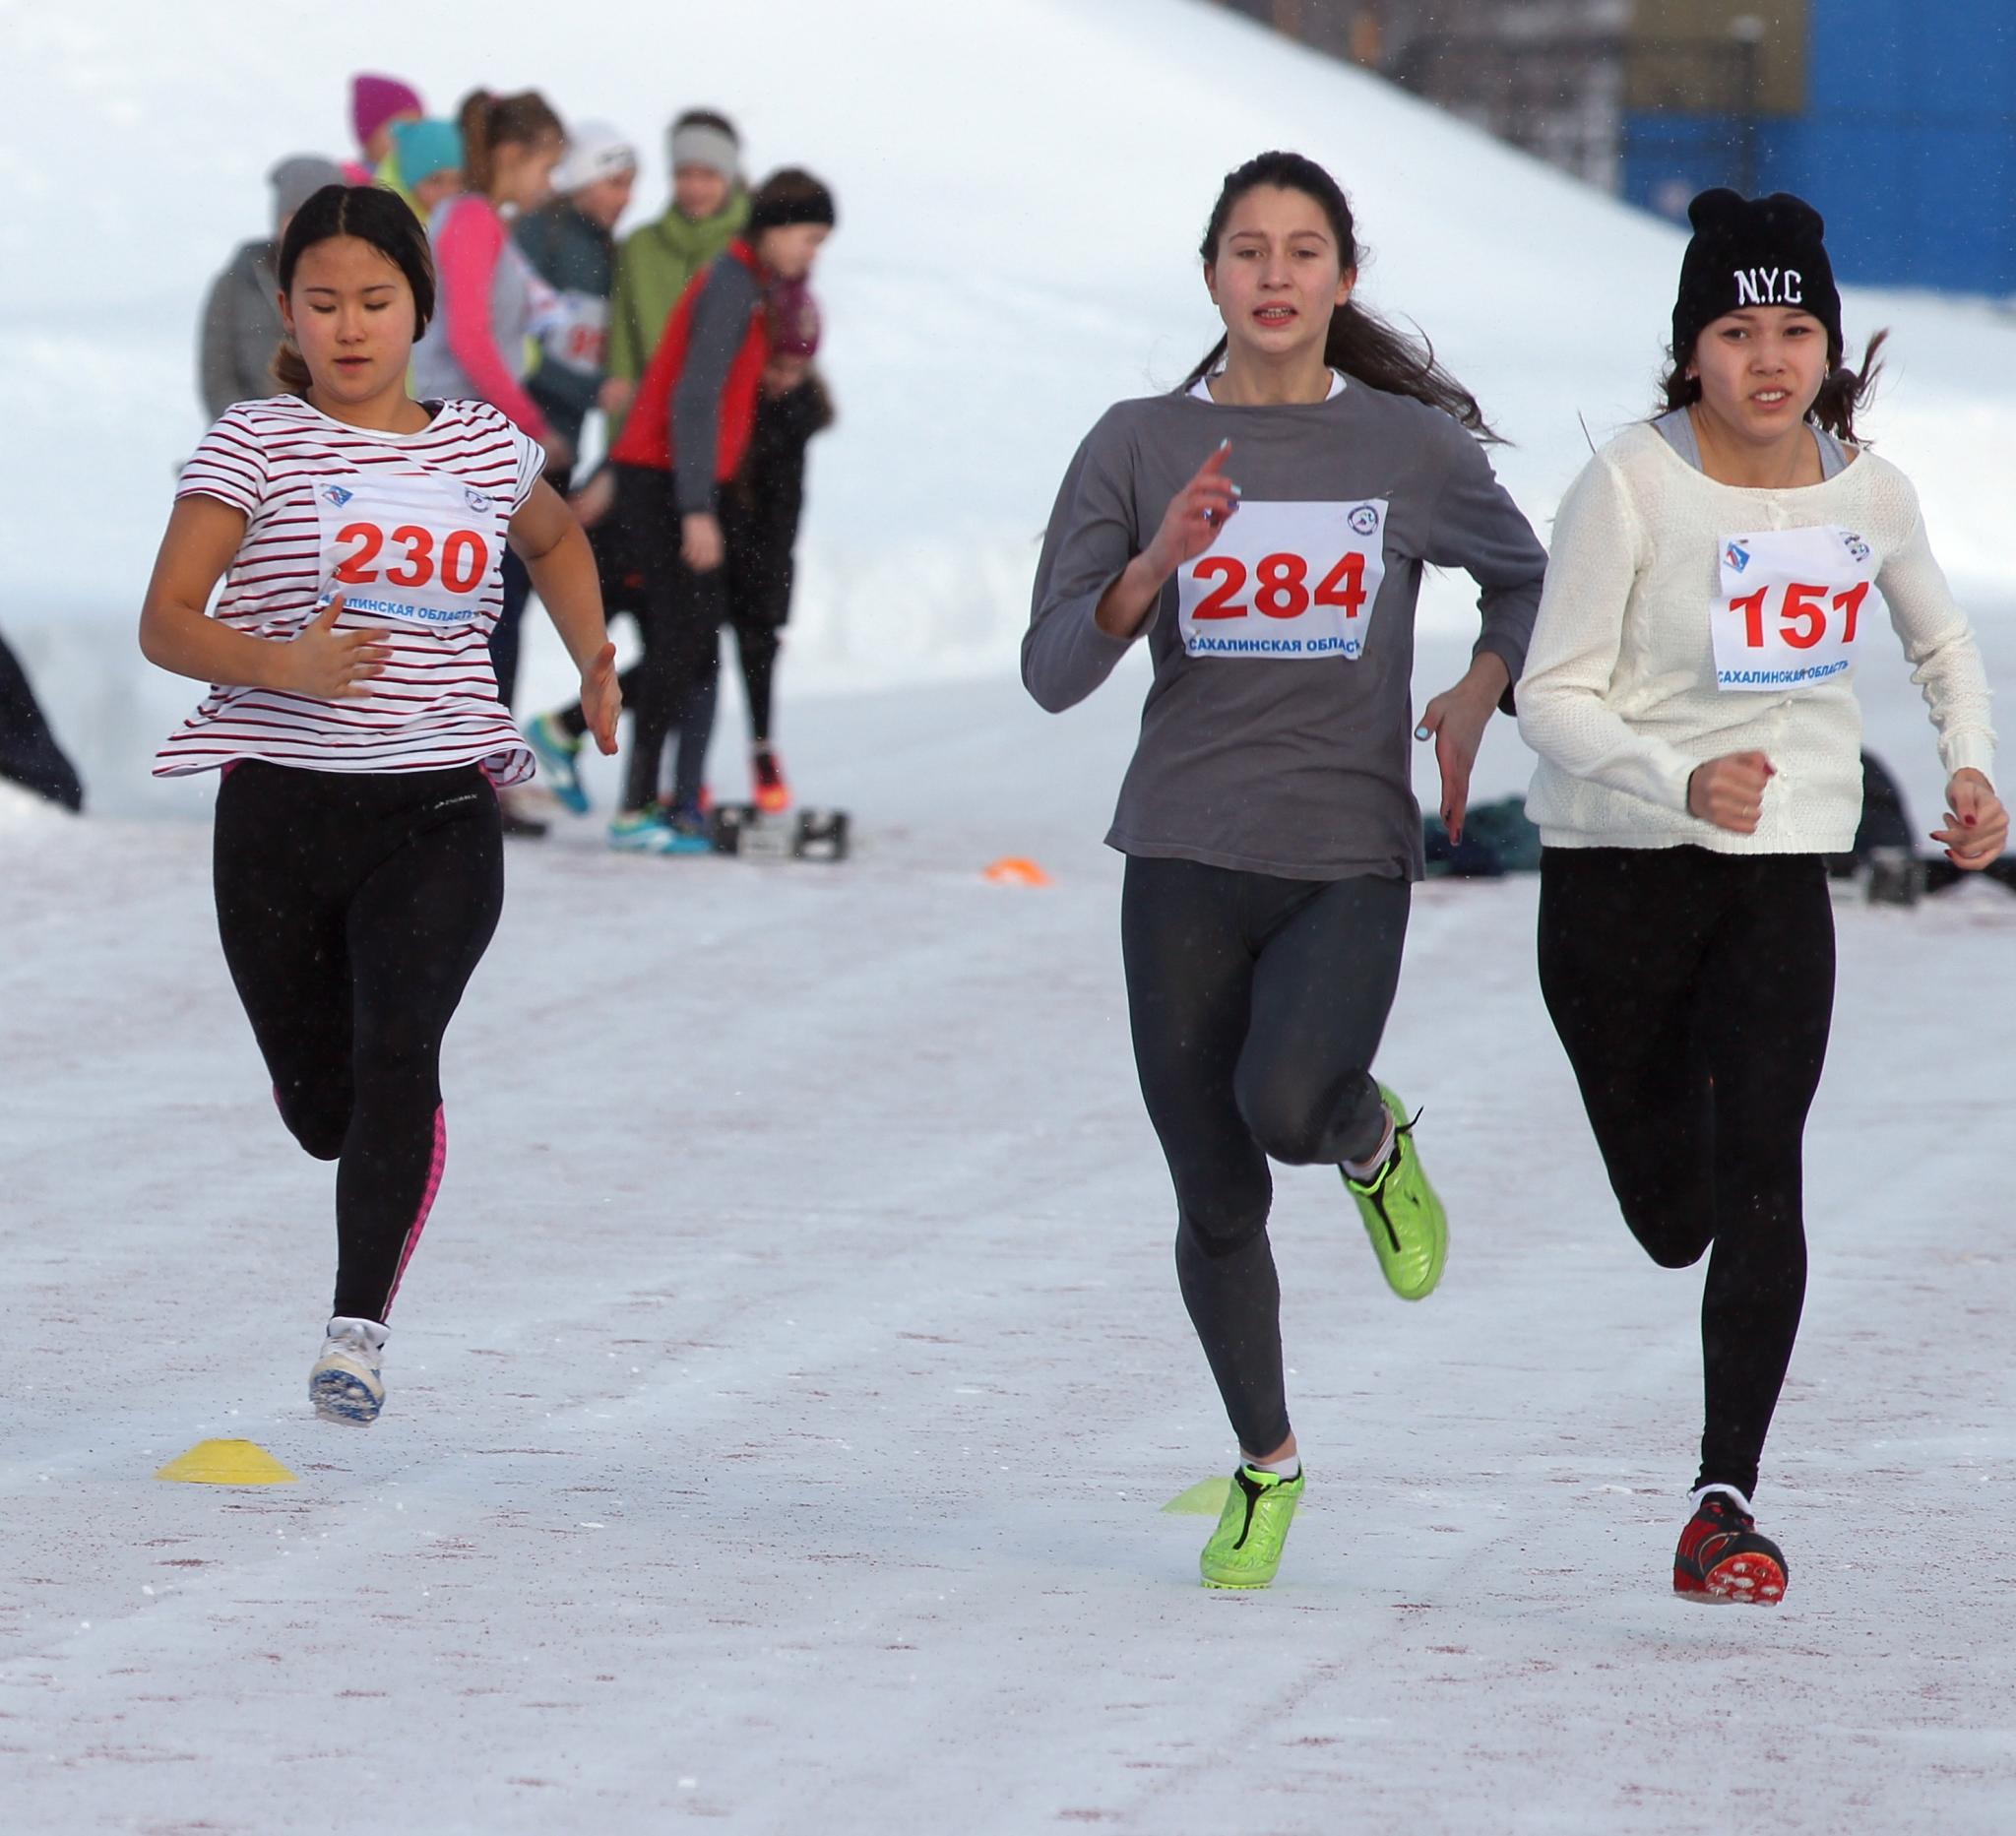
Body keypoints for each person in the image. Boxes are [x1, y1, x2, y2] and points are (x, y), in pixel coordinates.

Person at [1024, 151, 1546, 1590]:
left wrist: (1478, 684)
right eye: (1246, 251)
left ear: (1343, 278)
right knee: (1213, 1196)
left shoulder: (1407, 451)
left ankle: (1369, 1137)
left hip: (1344, 853)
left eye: (1303, 250)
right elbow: (1053, 669)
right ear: (1210, 276)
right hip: (1184, 849)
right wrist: (1148, 570)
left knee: (1284, 1104)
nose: (1274, 275)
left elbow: (1529, 572)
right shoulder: (1137, 445)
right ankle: (1268, 1462)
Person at [1517, 189, 2005, 1605]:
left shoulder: (1869, 490)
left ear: (1831, 347)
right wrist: (1676, 777)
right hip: (1611, 880)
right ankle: (1672, 1206)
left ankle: (1724, 1497)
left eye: (1795, 329)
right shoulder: (1632, 484)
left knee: (1767, 1171)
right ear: (1691, 353)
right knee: (1675, 1212)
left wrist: (1969, 769)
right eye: (1737, 331)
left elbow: (1943, 645)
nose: (1769, 357)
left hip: (1778, 871)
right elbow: (1550, 695)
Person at [138, 184, 620, 1425]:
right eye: (322, 301)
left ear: (418, 310)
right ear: (286, 313)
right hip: (278, 819)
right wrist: (283, 662)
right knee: (323, 1109)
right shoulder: (254, 441)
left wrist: (594, 657)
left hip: (437, 808)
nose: (349, 326)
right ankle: (380, 1134)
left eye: (375, 300)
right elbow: (168, 621)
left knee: (399, 1046)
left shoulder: (478, 446)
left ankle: (356, 1329)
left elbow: (556, 542)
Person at [589, 167, 837, 854]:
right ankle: (637, 804)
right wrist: (697, 507)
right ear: (778, 226)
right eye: (810, 239)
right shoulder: (731, 281)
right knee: (682, 640)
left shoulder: (751, 283)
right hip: (662, 476)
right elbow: (694, 397)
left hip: (688, 479)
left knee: (695, 642)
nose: (811, 255)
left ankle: (670, 798)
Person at [530, 272, 834, 819]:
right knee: (684, 657)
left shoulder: (792, 416)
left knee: (694, 661)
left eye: (796, 367)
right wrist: (612, 476)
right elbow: (656, 430)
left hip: (703, 542)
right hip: (653, 535)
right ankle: (635, 795)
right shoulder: (722, 390)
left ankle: (672, 794)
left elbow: (778, 519)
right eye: (776, 364)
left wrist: (765, 599)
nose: (784, 379)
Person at [410, 89, 567, 824]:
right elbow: (471, 338)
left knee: (489, 605)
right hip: (468, 443)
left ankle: (473, 763)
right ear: (512, 156)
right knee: (484, 608)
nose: (549, 184)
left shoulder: (478, 221)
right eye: (546, 165)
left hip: (476, 438)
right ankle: (466, 769)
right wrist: (530, 422)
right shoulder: (471, 220)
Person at [602, 109, 747, 438]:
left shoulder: (749, 247)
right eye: (684, 174)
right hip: (649, 426)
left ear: (729, 176)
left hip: (726, 428)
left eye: (709, 175)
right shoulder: (640, 247)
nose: (695, 187)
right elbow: (622, 345)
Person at [514, 122, 638, 477]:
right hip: (523, 433)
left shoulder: (609, 248)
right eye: (615, 184)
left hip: (565, 440)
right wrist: (593, 389)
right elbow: (513, 342)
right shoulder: (539, 233)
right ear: (582, 180)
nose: (626, 199)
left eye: (630, 186)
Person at [198, 156, 346, 420]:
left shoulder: (358, 283)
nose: (306, 227)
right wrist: (252, 433)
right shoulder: (237, 281)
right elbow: (217, 377)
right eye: (294, 214)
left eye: (318, 216)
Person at [344, 74, 422, 190]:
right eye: (399, 128)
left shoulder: (425, 188)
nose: (410, 138)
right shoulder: (348, 187)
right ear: (370, 133)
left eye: (418, 129)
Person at [388, 118, 466, 221]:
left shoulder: (469, 222)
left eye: (457, 181)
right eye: (436, 180)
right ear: (410, 182)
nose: (448, 191)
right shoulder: (395, 225)